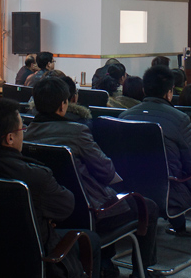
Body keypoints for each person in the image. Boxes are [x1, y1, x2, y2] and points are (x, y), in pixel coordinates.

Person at [25, 78, 158, 277]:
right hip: (91, 212)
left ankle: (106, 264)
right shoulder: (77, 132)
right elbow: (106, 171)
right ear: (63, 105)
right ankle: (141, 272)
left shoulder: (26, 134)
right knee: (149, 207)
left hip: (50, 214)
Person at [0, 99, 98, 278]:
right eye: (22, 129)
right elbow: (66, 207)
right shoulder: (35, 176)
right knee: (92, 239)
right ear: (10, 138)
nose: (24, 134)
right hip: (33, 259)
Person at [119, 66, 191, 237]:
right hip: (168, 193)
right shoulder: (179, 118)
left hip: (132, 191)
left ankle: (179, 225)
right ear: (169, 93)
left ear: (144, 90)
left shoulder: (124, 116)